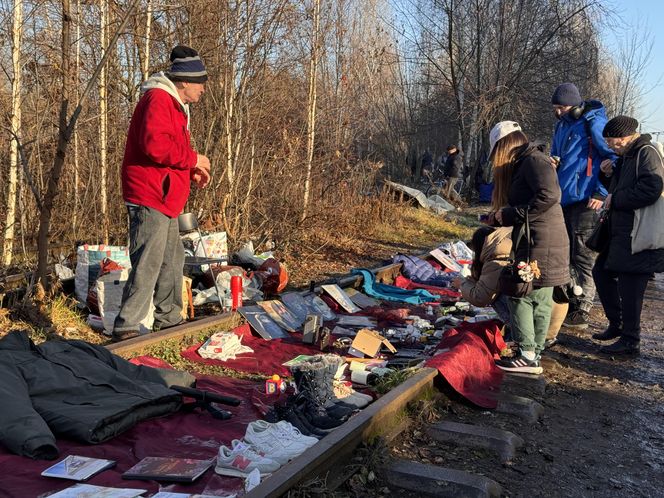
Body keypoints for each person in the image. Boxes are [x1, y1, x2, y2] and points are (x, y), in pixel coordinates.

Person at [112, 46, 211, 342]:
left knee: (172, 258)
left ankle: (169, 320)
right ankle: (126, 326)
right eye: (201, 82)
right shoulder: (158, 99)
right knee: (149, 260)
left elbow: (166, 152)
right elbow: (154, 145)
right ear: (184, 81)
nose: (204, 88)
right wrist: (193, 159)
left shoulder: (175, 105)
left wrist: (187, 171)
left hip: (165, 197)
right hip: (149, 195)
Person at [489, 121, 570, 374]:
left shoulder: (534, 161)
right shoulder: (532, 161)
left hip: (539, 240)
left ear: (505, 146)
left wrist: (513, 213)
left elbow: (549, 196)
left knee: (520, 293)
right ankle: (534, 352)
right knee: (541, 298)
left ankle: (526, 353)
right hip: (546, 238)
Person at [591, 116, 664, 354]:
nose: (611, 147)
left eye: (612, 142)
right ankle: (618, 324)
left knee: (630, 286)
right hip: (622, 231)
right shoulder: (628, 156)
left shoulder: (646, 153)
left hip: (638, 231)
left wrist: (617, 199)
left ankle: (630, 340)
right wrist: (608, 175)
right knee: (601, 272)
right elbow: (621, 186)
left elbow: (651, 189)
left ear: (625, 137)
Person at [550, 83, 617, 329]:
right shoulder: (561, 126)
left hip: (588, 199)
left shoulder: (593, 124)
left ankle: (583, 307)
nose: (558, 112)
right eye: (555, 108)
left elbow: (612, 157)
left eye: (562, 107)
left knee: (584, 254)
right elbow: (557, 155)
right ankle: (570, 300)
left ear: (576, 105)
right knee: (565, 252)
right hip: (564, 199)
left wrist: (601, 191)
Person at [451, 226, 512, 326]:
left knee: (493, 298)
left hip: (518, 318)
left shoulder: (495, 262)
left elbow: (480, 298)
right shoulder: (507, 252)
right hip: (535, 315)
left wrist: (462, 284)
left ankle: (514, 330)